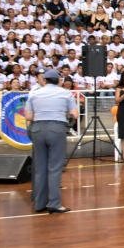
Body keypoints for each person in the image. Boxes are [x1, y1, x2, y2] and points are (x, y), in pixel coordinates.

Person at [25, 69, 79, 214]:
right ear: (58, 80)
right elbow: (75, 114)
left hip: (37, 129)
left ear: (45, 80)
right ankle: (54, 203)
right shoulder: (65, 93)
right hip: (56, 128)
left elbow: (28, 116)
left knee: (40, 168)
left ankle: (39, 203)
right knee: (54, 168)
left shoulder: (34, 93)